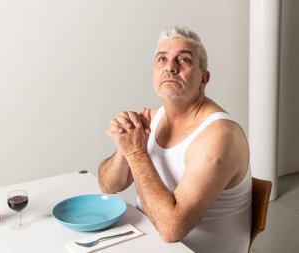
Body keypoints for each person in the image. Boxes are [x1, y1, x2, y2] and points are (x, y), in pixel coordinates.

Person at [98, 26, 251, 253]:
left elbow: (171, 229)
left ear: (204, 78)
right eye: (162, 59)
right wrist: (125, 144)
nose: (170, 67)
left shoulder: (220, 136)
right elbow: (110, 185)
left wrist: (136, 152)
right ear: (154, 73)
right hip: (145, 243)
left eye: (184, 60)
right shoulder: (152, 118)